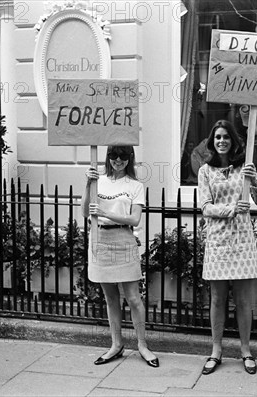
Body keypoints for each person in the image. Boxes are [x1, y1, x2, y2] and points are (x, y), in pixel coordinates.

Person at [197, 120, 257, 375]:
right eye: (217, 137)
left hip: (242, 240)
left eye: (226, 137)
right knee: (217, 298)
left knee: (243, 300)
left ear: (233, 140)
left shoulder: (243, 168)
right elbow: (205, 207)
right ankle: (216, 350)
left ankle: (246, 350)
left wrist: (254, 179)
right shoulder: (205, 171)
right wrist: (230, 209)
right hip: (218, 239)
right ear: (212, 141)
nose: (222, 141)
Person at [82, 145, 159, 368]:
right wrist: (88, 184)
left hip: (123, 239)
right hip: (100, 239)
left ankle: (142, 345)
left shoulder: (135, 185)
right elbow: (85, 212)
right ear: (107, 157)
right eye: (113, 155)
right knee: (110, 297)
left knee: (133, 298)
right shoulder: (98, 181)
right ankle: (116, 345)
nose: (118, 160)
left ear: (130, 158)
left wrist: (106, 212)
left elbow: (135, 219)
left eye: (123, 156)